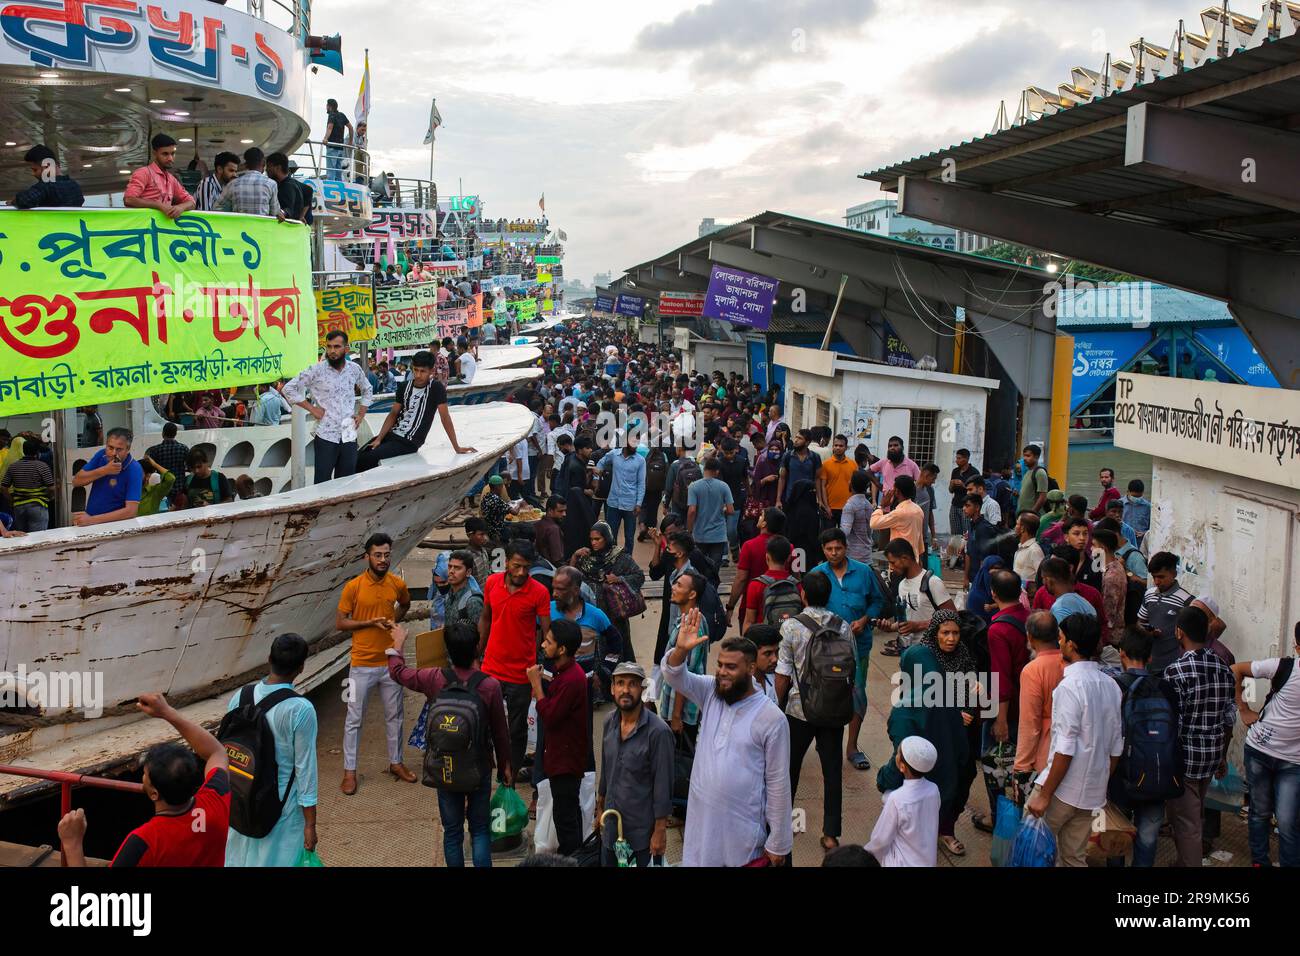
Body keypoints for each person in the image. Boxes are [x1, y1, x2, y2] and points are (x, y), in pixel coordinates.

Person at [662, 624, 793, 867]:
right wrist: (680, 649)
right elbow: (673, 674)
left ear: (751, 669)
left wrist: (778, 841)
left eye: (731, 667)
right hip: (701, 823)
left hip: (741, 832)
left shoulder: (772, 719)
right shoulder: (711, 692)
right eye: (720, 665)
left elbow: (778, 784)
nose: (722, 672)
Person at [387, 621, 511, 867]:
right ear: (477, 647)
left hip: (445, 767)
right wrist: (506, 765)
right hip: (479, 767)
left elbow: (398, 673)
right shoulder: (490, 685)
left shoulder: (433, 678)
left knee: (452, 832)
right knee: (480, 830)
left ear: (448, 650)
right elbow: (500, 732)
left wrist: (397, 644)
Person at [58, 693, 230, 867]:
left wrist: (72, 843)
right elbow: (216, 752)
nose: (142, 777)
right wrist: (168, 712)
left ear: (154, 793)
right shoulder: (216, 800)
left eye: (145, 774)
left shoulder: (144, 841)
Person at [1025, 614, 1124, 867]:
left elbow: (1064, 749)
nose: (1058, 644)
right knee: (1074, 858)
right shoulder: (1111, 685)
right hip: (1093, 791)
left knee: (1032, 853)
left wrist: (1044, 795)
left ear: (1071, 644)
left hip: (1060, 790)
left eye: (1060, 638)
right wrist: (1099, 782)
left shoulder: (1069, 687)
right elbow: (1115, 746)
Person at [223, 633, 318, 867]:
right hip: (280, 810)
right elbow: (305, 769)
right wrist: (310, 825)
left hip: (240, 799)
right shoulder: (300, 709)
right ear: (301, 667)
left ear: (269, 659)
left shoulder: (240, 697)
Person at [776, 569, 854, 853]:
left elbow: (783, 672)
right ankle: (831, 834)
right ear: (829, 595)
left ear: (802, 594)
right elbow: (851, 666)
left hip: (800, 709)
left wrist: (776, 705)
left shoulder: (791, 627)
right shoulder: (842, 625)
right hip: (833, 707)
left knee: (789, 769)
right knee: (832, 771)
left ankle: (783, 824)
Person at [879, 628, 971, 856]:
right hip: (947, 792)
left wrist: (883, 779)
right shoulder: (949, 704)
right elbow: (964, 759)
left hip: (915, 798)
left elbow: (902, 762)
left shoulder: (905, 711)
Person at [336, 533, 414, 795]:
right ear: (366, 557)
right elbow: (340, 622)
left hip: (390, 662)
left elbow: (405, 603)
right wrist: (368, 623)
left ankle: (396, 762)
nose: (383, 560)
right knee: (354, 719)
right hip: (361, 664)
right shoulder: (354, 587)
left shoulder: (397, 583)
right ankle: (350, 772)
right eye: (377, 555)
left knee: (395, 715)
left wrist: (394, 622)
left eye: (386, 554)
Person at [1163, 605, 1235, 867]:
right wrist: (1222, 756)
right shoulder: (1223, 667)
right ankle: (1184, 862)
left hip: (1186, 759)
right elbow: (1229, 718)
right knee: (1195, 814)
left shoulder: (1176, 671)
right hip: (1212, 754)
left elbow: (1175, 723)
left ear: (1179, 632)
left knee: (1188, 823)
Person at [811, 527, 888, 773]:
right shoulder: (817, 574)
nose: (834, 553)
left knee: (857, 695)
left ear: (846, 547)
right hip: (825, 648)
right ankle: (825, 742)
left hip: (859, 647)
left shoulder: (864, 572)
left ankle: (852, 747)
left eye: (838, 548)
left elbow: (877, 601)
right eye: (829, 549)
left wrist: (865, 620)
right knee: (825, 694)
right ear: (823, 550)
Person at [478, 541, 552, 784]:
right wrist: (477, 655)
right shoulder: (491, 583)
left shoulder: (539, 592)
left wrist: (539, 668)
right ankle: (484, 764)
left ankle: (509, 773)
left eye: (526, 568)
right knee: (483, 722)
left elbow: (545, 632)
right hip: (491, 667)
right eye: (517, 566)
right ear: (507, 562)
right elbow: (486, 618)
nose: (521, 572)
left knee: (517, 729)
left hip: (521, 673)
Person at [1231, 620, 1300, 868]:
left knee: (1287, 820)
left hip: (1294, 762)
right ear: (1298, 647)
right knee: (1260, 813)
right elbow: (1236, 669)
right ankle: (1260, 862)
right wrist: (1243, 708)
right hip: (1260, 751)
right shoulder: (1282, 667)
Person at [1108, 627, 1178, 868]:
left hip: (1121, 777)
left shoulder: (1114, 687)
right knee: (1148, 839)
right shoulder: (1166, 689)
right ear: (1150, 658)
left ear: (1121, 653)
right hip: (1158, 776)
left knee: (1115, 834)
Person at [595, 662, 673, 867]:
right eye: (620, 683)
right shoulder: (609, 722)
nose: (625, 690)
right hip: (611, 828)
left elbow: (663, 786)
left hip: (641, 836)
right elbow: (606, 768)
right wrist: (600, 806)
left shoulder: (658, 732)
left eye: (632, 684)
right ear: (612, 688)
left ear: (642, 689)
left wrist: (660, 831)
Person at [527, 618, 589, 855]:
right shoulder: (565, 674)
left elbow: (551, 716)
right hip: (561, 758)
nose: (543, 645)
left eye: (548, 642)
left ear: (562, 649)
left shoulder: (572, 679)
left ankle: (571, 859)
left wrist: (536, 684)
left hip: (565, 762)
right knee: (567, 815)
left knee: (566, 821)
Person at [358, 350, 473, 471]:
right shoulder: (404, 386)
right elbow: (393, 414)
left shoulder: (436, 388)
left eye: (422, 371)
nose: (418, 375)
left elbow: (445, 417)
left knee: (366, 459)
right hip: (392, 435)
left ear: (431, 371)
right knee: (359, 455)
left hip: (409, 442)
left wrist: (457, 447)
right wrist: (379, 438)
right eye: (416, 370)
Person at [282, 330, 373, 483]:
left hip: (349, 433)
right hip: (326, 434)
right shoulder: (316, 370)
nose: (332, 351)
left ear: (346, 348)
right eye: (329, 347)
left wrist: (361, 414)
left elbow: (367, 389)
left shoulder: (354, 369)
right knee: (322, 482)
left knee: (347, 481)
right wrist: (312, 409)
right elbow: (288, 389)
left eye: (337, 347)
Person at [573, 522, 645, 662]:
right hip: (593, 611)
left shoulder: (621, 558)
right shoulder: (587, 559)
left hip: (614, 614)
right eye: (592, 539)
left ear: (606, 538)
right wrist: (575, 557)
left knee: (617, 646)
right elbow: (572, 578)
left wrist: (619, 579)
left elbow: (639, 576)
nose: (593, 543)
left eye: (597, 539)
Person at [866, 736, 942, 867]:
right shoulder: (934, 789)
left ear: (902, 767)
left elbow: (880, 840)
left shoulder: (897, 799)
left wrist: (865, 855)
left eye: (898, 753)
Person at [659, 571, 711, 744]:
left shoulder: (692, 627)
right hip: (678, 708)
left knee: (680, 764)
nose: (673, 588)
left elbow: (685, 673)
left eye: (679, 585)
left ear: (692, 594)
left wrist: (676, 715)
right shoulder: (688, 620)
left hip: (683, 714)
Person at [1014, 611, 1067, 781]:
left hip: (1046, 753)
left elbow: (1030, 723)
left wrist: (1021, 766)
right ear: (1057, 635)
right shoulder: (1069, 662)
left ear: (1029, 637)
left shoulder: (1033, 670)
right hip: (1069, 749)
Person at [877, 539, 954, 654]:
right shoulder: (902, 585)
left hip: (933, 652)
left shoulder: (932, 582)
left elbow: (952, 616)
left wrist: (919, 625)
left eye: (893, 562)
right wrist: (890, 627)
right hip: (909, 652)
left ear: (905, 558)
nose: (891, 567)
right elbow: (908, 620)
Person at [71, 427, 143, 527]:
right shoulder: (101, 455)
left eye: (119, 449)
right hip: (90, 520)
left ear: (128, 449)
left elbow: (131, 511)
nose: (114, 453)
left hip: (115, 526)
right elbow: (76, 481)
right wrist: (105, 470)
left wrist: (91, 520)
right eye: (110, 448)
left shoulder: (134, 469)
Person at [1137, 551, 1194, 676]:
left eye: (1161, 577)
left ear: (1174, 573)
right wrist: (1147, 632)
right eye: (1154, 577)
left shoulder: (1186, 600)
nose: (1157, 581)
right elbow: (1141, 623)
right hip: (1149, 663)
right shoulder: (1149, 594)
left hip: (1174, 667)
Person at [123, 133, 195, 218]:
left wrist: (180, 207)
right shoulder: (143, 173)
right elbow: (129, 199)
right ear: (155, 153)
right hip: (143, 228)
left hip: (162, 229)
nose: (170, 158)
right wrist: (159, 205)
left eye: (173, 153)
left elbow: (192, 202)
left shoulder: (171, 179)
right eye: (165, 154)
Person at [741, 535, 797, 633]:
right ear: (789, 558)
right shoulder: (797, 585)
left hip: (764, 642)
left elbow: (749, 621)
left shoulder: (756, 585)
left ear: (767, 557)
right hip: (791, 642)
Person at [686, 456, 734, 571]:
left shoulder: (693, 486)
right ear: (717, 471)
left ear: (705, 468)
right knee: (714, 568)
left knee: (698, 567)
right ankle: (712, 587)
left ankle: (700, 587)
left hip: (700, 534)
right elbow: (731, 510)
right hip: (718, 535)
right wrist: (722, 510)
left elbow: (692, 511)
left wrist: (689, 530)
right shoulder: (724, 486)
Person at [599, 439, 645, 553]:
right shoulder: (614, 454)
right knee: (611, 536)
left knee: (629, 538)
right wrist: (597, 474)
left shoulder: (640, 460)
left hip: (631, 505)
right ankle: (611, 560)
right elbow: (601, 462)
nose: (635, 446)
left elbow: (641, 483)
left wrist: (639, 503)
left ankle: (627, 562)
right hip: (613, 503)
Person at [869, 474, 925, 561]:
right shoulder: (918, 510)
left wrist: (881, 506)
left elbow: (873, 524)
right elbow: (919, 539)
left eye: (893, 489)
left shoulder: (899, 513)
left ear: (897, 491)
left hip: (900, 561)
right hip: (914, 559)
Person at [2, 437, 54, 532]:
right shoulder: (42, 466)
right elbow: (51, 488)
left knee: (22, 537)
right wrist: (50, 498)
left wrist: (11, 500)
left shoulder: (13, 466)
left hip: (18, 507)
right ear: (37, 452)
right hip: (38, 505)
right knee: (38, 538)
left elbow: (4, 487)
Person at [215, 147, 282, 218]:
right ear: (263, 163)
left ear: (246, 164)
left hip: (239, 228)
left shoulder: (233, 184)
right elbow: (275, 213)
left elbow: (217, 208)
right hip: (261, 228)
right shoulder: (271, 184)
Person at [14, 144, 84, 208]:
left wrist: (14, 201)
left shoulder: (46, 186)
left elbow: (24, 200)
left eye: (35, 170)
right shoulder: (75, 185)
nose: (34, 174)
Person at [817, 434, 856, 526]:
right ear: (832, 447)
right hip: (830, 508)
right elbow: (822, 486)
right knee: (828, 537)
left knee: (846, 538)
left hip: (848, 508)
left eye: (841, 446)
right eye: (836, 445)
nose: (838, 448)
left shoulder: (853, 465)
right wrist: (826, 506)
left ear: (846, 447)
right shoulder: (826, 464)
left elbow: (855, 487)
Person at [776, 428, 821, 507]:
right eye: (796, 437)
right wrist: (778, 500)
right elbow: (782, 478)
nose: (796, 440)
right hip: (791, 499)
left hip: (809, 499)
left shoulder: (815, 457)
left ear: (807, 442)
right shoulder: (787, 456)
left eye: (800, 438)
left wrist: (820, 500)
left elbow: (817, 479)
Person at [840, 470, 873, 563]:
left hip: (853, 556)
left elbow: (845, 532)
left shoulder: (850, 506)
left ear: (851, 484)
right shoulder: (868, 505)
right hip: (867, 554)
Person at [948, 448, 981, 535]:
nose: (956, 461)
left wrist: (964, 486)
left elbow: (977, 492)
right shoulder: (955, 471)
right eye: (956, 458)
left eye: (959, 458)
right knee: (955, 534)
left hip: (967, 506)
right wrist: (952, 484)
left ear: (966, 459)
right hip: (955, 505)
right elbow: (951, 491)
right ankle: (957, 548)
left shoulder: (974, 472)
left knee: (967, 532)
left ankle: (967, 548)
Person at [266, 151, 307, 222]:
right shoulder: (291, 184)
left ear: (278, 168)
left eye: (269, 166)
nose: (266, 170)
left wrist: (282, 212)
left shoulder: (287, 186)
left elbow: (289, 208)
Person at [747, 624, 782, 705]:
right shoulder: (739, 687)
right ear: (751, 653)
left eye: (777, 652)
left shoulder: (777, 679)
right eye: (768, 653)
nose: (775, 659)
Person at [1012, 512, 1045, 587]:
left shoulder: (1034, 550)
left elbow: (1042, 577)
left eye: (1017, 524)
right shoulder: (1021, 547)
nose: (1015, 527)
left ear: (1023, 528)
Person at [323, 98, 353, 180]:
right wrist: (350, 142)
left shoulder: (331, 115)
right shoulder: (342, 115)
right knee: (338, 172)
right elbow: (351, 128)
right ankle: (338, 188)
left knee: (331, 171)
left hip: (332, 147)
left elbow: (330, 127)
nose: (326, 107)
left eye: (327, 106)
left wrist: (325, 138)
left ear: (330, 106)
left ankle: (331, 187)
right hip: (340, 148)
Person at [1017, 443, 1050, 516]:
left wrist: (1031, 513)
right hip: (1023, 515)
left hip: (1032, 518)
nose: (1025, 458)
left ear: (1036, 457)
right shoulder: (1027, 472)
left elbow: (1043, 497)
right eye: (1024, 456)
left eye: (1028, 456)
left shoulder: (1040, 473)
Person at [535, 495, 566, 565]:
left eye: (565, 511)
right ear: (550, 511)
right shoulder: (553, 529)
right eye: (560, 511)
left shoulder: (539, 523)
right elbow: (558, 560)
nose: (564, 514)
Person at [1123, 478, 1152, 546]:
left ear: (1142, 493)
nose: (1136, 499)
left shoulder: (1148, 506)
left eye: (1139, 496)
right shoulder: (1120, 504)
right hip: (1124, 541)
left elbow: (1152, 526)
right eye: (1134, 496)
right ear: (1128, 492)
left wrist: (1144, 533)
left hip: (1141, 542)